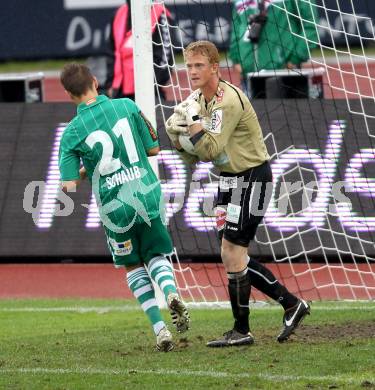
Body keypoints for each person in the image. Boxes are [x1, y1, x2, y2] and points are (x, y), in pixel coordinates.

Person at [166, 41, 310, 347]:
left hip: (253, 177)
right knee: (232, 255)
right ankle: (289, 305)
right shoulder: (196, 100)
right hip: (229, 180)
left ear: (214, 68)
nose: (192, 71)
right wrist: (175, 135)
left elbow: (212, 148)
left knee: (232, 253)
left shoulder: (225, 102)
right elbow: (194, 157)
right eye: (189, 66)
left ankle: (244, 329)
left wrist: (191, 124)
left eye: (199, 66)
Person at [59, 63, 189, 352]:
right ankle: (170, 293)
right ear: (95, 81)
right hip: (146, 194)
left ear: (69, 94)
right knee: (156, 254)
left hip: (114, 207)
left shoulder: (71, 133)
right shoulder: (127, 105)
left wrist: (84, 171)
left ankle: (160, 330)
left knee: (132, 264)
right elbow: (154, 149)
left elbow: (68, 185)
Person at [229, 0, 318, 96]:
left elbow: (310, 25)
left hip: (283, 72)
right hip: (248, 73)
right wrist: (235, 58)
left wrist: (295, 58)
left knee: (285, 110)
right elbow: (236, 28)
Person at [105, 0, 173, 101]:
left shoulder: (159, 13)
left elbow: (165, 57)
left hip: (150, 92)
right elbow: (112, 53)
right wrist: (110, 84)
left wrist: (151, 85)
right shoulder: (119, 14)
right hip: (120, 92)